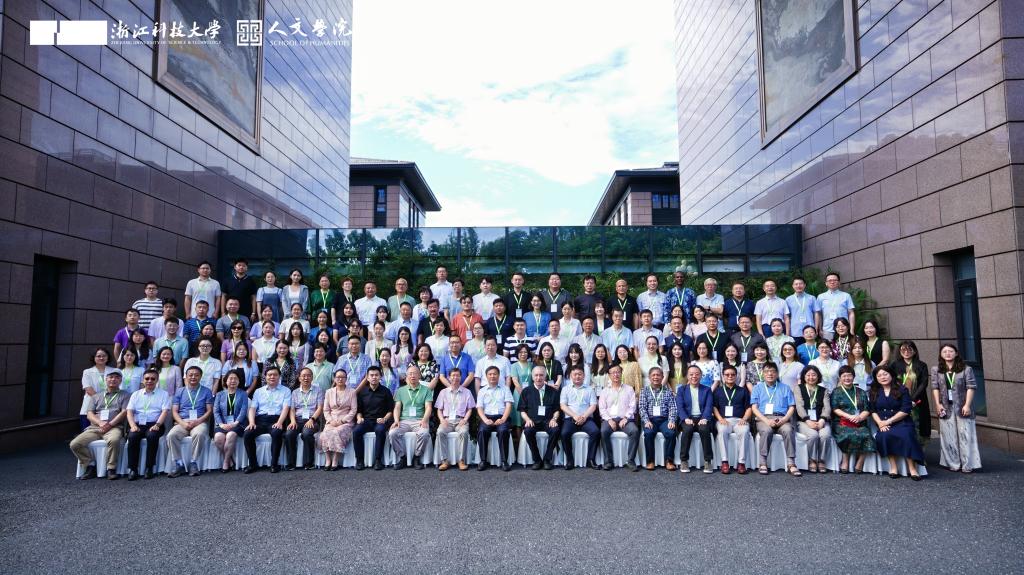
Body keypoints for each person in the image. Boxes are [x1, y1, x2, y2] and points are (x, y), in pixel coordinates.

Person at [931, 344, 981, 473]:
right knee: (948, 436)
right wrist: (937, 404)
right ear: (941, 354)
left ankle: (968, 464)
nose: (948, 353)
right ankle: (953, 463)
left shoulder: (966, 369)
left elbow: (971, 387)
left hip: (962, 406)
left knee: (966, 435)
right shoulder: (936, 370)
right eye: (945, 351)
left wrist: (967, 405)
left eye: (951, 351)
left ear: (956, 353)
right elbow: (935, 387)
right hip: (945, 406)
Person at [70, 370, 129, 480]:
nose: (113, 379)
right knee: (75, 444)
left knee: (114, 440)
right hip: (95, 427)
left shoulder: (125, 395)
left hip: (114, 427)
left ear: (120, 380)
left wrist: (110, 424)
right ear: (106, 379)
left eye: (117, 377)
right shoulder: (96, 396)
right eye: (111, 377)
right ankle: (90, 465)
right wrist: (101, 423)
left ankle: (111, 468)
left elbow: (124, 412)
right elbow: (89, 414)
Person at [869, 365, 924, 480]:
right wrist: (880, 423)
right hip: (882, 422)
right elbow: (872, 410)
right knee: (884, 436)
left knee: (906, 435)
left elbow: (905, 410)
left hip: (901, 421)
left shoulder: (902, 389)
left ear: (891, 375)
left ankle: (912, 468)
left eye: (885, 374)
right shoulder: (874, 391)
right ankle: (893, 467)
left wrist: (888, 421)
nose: (883, 377)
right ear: (876, 378)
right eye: (879, 375)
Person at [750, 362, 800, 476]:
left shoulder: (785, 388)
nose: (770, 374)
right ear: (763, 374)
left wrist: (784, 419)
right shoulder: (757, 388)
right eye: (767, 371)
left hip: (782, 418)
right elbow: (754, 408)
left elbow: (792, 407)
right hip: (764, 418)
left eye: (772, 371)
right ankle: (763, 462)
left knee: (788, 430)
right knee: (766, 431)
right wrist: (766, 421)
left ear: (777, 374)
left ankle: (791, 463)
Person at [166, 366, 214, 478]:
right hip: (182, 421)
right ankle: (178, 463)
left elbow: (209, 411)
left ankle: (193, 462)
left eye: (196, 375)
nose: (193, 377)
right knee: (171, 435)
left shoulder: (206, 391)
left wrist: (198, 421)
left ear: (200, 377)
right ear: (186, 376)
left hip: (199, 421)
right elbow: (174, 411)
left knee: (199, 434)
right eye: (190, 375)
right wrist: (182, 423)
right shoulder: (180, 391)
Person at [242, 366, 291, 473]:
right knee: (248, 434)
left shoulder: (286, 391)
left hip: (276, 419)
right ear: (265, 377)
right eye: (269, 375)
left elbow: (286, 408)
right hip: (260, 420)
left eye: (275, 375)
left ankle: (274, 464)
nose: (272, 377)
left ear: (279, 376)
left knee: (277, 433)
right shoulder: (258, 391)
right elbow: (252, 408)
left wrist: (280, 422)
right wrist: (251, 422)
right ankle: (253, 464)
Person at [125, 368, 171, 480]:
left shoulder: (164, 394)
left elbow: (165, 411)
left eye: (152, 379)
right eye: (147, 378)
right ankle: (133, 469)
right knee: (132, 437)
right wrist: (132, 426)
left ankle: (149, 468)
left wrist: (157, 425)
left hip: (155, 424)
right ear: (143, 380)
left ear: (157, 380)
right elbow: (129, 411)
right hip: (137, 424)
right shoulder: (135, 394)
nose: (149, 381)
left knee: (152, 436)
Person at [830, 366, 874, 474]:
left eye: (849, 375)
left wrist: (860, 417)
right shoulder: (836, 392)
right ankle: (845, 460)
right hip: (842, 421)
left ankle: (860, 461)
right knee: (847, 434)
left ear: (853, 377)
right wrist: (849, 416)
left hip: (859, 421)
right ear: (840, 378)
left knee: (866, 435)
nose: (847, 378)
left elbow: (867, 409)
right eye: (844, 376)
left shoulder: (861, 392)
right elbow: (835, 409)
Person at [388, 364, 433, 470]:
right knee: (392, 433)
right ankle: (402, 457)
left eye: (415, 373)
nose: (413, 376)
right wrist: (396, 420)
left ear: (419, 375)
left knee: (424, 433)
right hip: (404, 420)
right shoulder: (400, 390)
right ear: (407, 376)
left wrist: (424, 420)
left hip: (419, 420)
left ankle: (417, 457)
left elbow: (428, 407)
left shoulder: (426, 390)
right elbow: (397, 407)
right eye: (410, 374)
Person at [520, 364, 562, 470]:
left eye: (541, 375)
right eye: (536, 375)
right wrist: (527, 419)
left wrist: (554, 419)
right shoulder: (526, 391)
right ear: (532, 376)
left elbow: (557, 410)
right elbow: (522, 410)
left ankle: (547, 459)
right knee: (528, 431)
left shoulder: (553, 391)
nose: (538, 378)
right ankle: (537, 460)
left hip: (548, 420)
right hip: (532, 421)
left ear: (545, 376)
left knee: (555, 430)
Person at [598, 364, 640, 471]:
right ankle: (608, 461)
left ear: (621, 374)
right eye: (613, 373)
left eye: (618, 372)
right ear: (609, 375)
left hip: (624, 419)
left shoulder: (629, 389)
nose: (616, 374)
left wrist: (626, 418)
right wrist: (609, 420)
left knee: (634, 431)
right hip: (609, 419)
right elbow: (602, 408)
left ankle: (630, 461)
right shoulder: (605, 391)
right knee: (603, 431)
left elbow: (632, 406)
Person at [353, 366, 395, 470]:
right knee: (356, 431)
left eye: (376, 375)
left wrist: (384, 419)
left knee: (380, 430)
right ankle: (359, 460)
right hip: (366, 421)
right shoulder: (362, 392)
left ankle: (378, 460)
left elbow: (390, 410)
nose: (374, 377)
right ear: (367, 377)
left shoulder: (386, 391)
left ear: (380, 377)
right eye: (371, 375)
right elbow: (359, 411)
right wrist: (359, 418)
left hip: (380, 421)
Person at [891, 340, 931, 447]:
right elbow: (892, 383)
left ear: (914, 351)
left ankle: (919, 452)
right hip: (899, 400)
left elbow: (924, 383)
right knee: (901, 426)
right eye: (903, 349)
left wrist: (912, 399)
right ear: (899, 351)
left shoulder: (921, 365)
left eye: (909, 349)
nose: (906, 352)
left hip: (917, 400)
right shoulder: (895, 365)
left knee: (919, 426)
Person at [712, 364, 751, 474]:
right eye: (727, 374)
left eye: (733, 374)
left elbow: (749, 407)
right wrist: (720, 419)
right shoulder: (718, 391)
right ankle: (724, 462)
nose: (730, 376)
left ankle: (741, 463)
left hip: (739, 420)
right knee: (722, 431)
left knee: (745, 431)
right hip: (724, 420)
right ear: (723, 376)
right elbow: (714, 407)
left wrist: (744, 419)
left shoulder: (742, 391)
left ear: (736, 376)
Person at [559, 365, 600, 469]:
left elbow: (593, 405)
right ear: (571, 376)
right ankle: (569, 460)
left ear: (584, 376)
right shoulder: (565, 389)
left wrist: (584, 417)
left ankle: (590, 460)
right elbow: (563, 406)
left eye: (580, 374)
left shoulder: (589, 389)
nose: (577, 376)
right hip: (570, 418)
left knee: (595, 432)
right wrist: (575, 416)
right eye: (575, 374)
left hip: (586, 418)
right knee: (564, 433)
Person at [435, 367, 475, 471]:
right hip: (447, 420)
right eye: (453, 375)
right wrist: (442, 420)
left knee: (464, 432)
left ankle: (461, 460)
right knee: (440, 432)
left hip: (460, 420)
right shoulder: (443, 392)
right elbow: (439, 410)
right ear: (449, 377)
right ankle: (444, 460)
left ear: (461, 377)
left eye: (457, 375)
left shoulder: (467, 392)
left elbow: (470, 409)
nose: (455, 377)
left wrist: (465, 419)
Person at [676, 365, 714, 473]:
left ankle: (708, 461)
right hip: (688, 418)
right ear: (687, 376)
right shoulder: (681, 390)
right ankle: (684, 460)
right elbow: (680, 407)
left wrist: (705, 418)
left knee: (704, 429)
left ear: (701, 376)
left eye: (697, 374)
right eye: (691, 374)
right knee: (687, 430)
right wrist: (685, 418)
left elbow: (709, 406)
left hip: (702, 418)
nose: (694, 376)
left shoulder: (707, 389)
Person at [638, 366, 677, 471]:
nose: (656, 377)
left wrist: (671, 420)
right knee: (649, 433)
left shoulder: (668, 391)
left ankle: (669, 461)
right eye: (653, 375)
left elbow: (673, 408)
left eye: (658, 375)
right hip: (650, 419)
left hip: (664, 420)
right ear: (649, 377)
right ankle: (650, 461)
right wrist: (646, 421)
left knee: (671, 433)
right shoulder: (644, 391)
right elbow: (642, 408)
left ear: (662, 377)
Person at [794, 365, 832, 473]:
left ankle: (821, 460)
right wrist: (808, 421)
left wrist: (822, 420)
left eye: (814, 375)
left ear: (818, 376)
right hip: (804, 421)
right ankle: (812, 460)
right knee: (813, 435)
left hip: (821, 420)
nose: (811, 377)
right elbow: (799, 407)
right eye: (808, 375)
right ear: (804, 376)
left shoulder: (824, 390)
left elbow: (827, 407)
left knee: (825, 435)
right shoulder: (799, 388)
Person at [476, 365, 514, 471]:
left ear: (499, 375)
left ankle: (504, 461)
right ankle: (483, 460)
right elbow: (479, 408)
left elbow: (508, 406)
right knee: (482, 431)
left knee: (503, 431)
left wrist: (503, 419)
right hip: (487, 417)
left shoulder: (505, 389)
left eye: (495, 374)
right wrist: (485, 420)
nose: (492, 376)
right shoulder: (482, 391)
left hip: (502, 417)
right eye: (490, 374)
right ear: (486, 376)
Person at [285, 367, 324, 470]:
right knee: (289, 434)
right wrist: (293, 421)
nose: (306, 378)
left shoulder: (318, 390)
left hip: (312, 419)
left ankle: (309, 463)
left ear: (312, 377)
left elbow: (320, 408)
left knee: (307, 433)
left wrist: (312, 419)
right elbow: (292, 409)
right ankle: (291, 463)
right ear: (299, 378)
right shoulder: (295, 392)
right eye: (303, 376)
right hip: (297, 419)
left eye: (308, 376)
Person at [212, 368, 249, 473]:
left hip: (238, 424)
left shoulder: (243, 394)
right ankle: (230, 460)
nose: (233, 381)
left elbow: (243, 410)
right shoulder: (219, 394)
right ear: (226, 381)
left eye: (235, 379)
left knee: (230, 435)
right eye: (230, 378)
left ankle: (225, 462)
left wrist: (235, 423)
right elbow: (216, 411)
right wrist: (221, 424)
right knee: (218, 438)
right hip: (222, 423)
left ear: (239, 381)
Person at [80, 347, 113, 430]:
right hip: (90, 407)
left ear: (108, 357)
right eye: (98, 356)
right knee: (87, 433)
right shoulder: (87, 372)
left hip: (109, 407)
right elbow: (88, 389)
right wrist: (102, 402)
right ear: (94, 358)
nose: (101, 358)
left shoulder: (114, 371)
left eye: (104, 356)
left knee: (106, 433)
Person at [817, 272, 855, 341]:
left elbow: (851, 313)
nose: (832, 282)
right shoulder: (821, 297)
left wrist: (851, 329)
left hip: (843, 329)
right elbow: (819, 314)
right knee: (828, 347)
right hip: (827, 330)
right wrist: (820, 329)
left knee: (844, 347)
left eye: (835, 280)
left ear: (839, 283)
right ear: (826, 283)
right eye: (830, 280)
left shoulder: (846, 296)